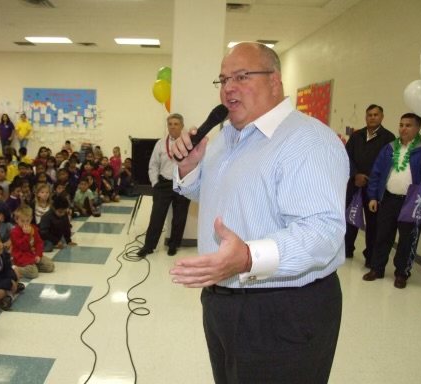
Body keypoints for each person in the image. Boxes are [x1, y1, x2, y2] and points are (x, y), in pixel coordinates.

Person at [170, 42, 349, 383]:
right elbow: (210, 195)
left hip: (282, 308)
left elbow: (322, 232)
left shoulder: (308, 141)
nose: (228, 88)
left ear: (275, 81)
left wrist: (249, 258)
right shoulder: (225, 139)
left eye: (241, 76)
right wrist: (189, 169)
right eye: (223, 80)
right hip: (222, 299)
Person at [363, 113, 421, 289]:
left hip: (411, 202)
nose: (403, 128)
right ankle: (377, 268)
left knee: (407, 239)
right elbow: (375, 173)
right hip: (389, 199)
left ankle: (401, 273)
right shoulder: (389, 148)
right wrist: (373, 197)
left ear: (418, 128)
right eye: (401, 125)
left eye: (408, 125)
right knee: (382, 235)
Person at [344, 104, 395, 266]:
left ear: (382, 117)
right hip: (355, 184)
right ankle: (347, 249)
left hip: (374, 188)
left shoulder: (388, 138)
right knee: (350, 218)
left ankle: (370, 256)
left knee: (373, 223)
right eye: (369, 115)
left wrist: (371, 179)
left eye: (376, 115)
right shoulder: (356, 136)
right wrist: (356, 175)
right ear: (365, 117)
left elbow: (387, 164)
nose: (372, 117)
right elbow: (346, 157)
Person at [137, 113, 191, 257]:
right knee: (156, 217)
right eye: (170, 124)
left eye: (176, 124)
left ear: (182, 126)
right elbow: (153, 165)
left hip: (182, 184)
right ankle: (148, 246)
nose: (172, 127)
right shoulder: (161, 143)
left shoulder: (190, 143)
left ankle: (174, 245)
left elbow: (196, 163)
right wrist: (155, 183)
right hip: (164, 184)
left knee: (180, 217)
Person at [11, 205, 55, 279]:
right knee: (33, 273)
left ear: (31, 219)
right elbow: (22, 247)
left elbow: (39, 243)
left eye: (27, 221)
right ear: (16, 220)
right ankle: (15, 270)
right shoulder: (14, 232)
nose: (25, 223)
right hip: (22, 256)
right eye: (22, 221)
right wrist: (26, 235)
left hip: (33, 255)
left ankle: (33, 266)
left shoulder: (33, 228)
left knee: (50, 266)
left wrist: (38, 254)